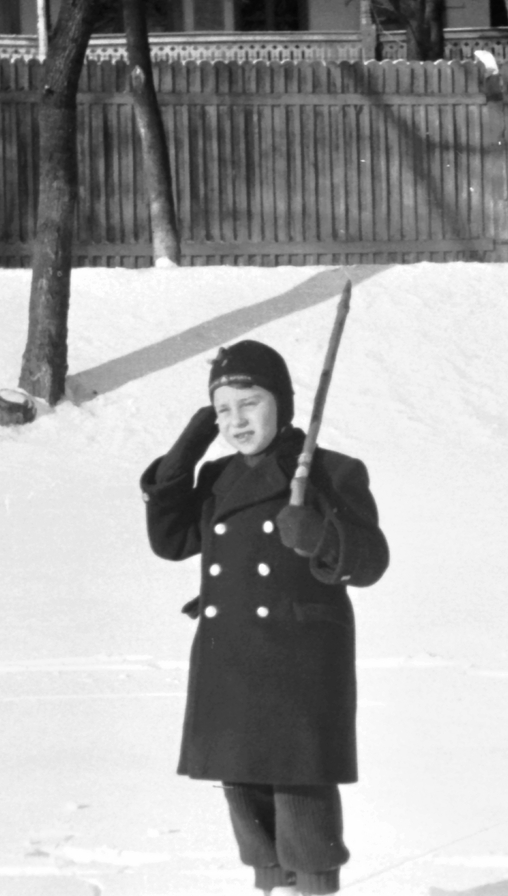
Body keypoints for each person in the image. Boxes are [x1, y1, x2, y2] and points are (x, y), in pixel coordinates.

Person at [141, 339, 389, 896]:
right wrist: (184, 456)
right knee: (244, 786)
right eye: (222, 410)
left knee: (299, 787)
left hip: (297, 659)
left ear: (282, 403)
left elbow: (372, 561)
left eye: (249, 403)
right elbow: (173, 540)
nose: (237, 420)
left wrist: (322, 537)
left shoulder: (330, 471)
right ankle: (270, 886)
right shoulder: (220, 478)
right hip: (230, 654)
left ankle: (315, 888)